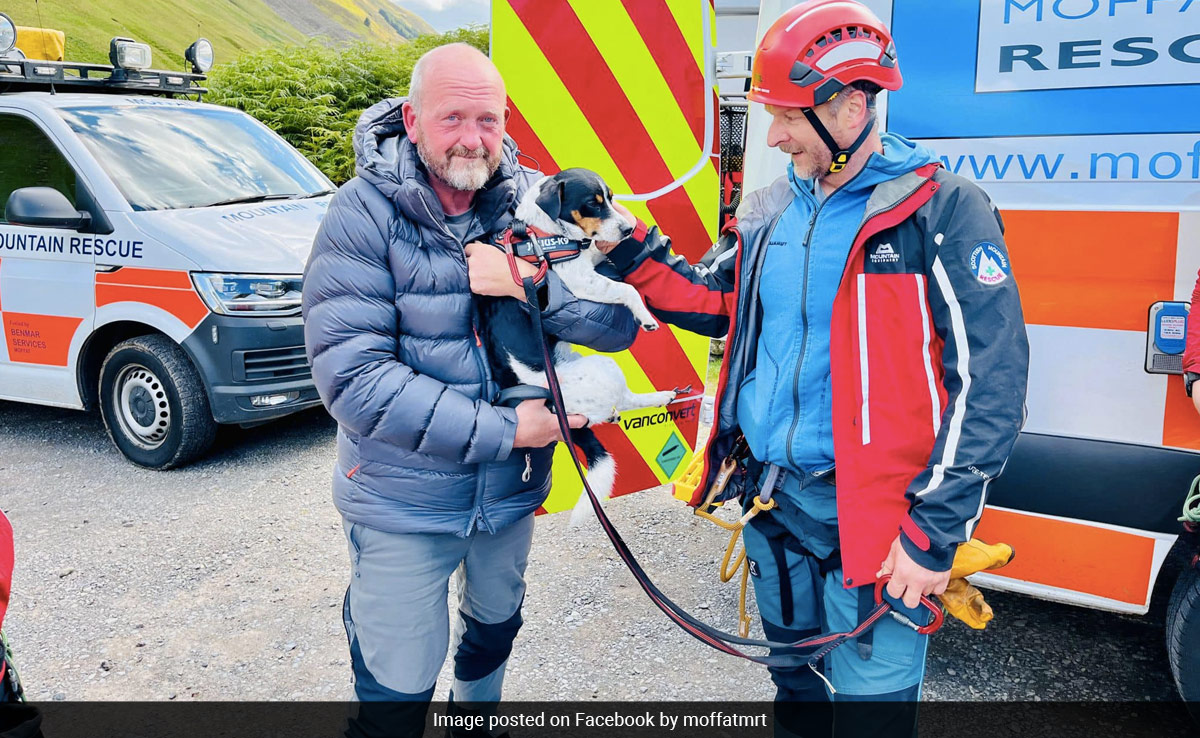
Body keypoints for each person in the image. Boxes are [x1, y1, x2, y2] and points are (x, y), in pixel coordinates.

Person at [596, 1, 1029, 734]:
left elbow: (992, 382)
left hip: (880, 530)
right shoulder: (773, 210)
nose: (772, 135)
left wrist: (934, 534)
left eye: (787, 116)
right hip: (774, 506)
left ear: (852, 108)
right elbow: (714, 301)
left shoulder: (939, 209)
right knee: (795, 693)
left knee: (870, 714)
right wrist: (621, 241)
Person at [302, 43, 637, 736]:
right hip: (404, 503)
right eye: (452, 117)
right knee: (396, 687)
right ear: (412, 119)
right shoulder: (361, 216)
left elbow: (619, 326)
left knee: (493, 633)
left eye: (488, 119)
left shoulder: (537, 203)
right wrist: (511, 431)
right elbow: (355, 379)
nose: (473, 138)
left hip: (509, 496)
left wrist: (529, 285)